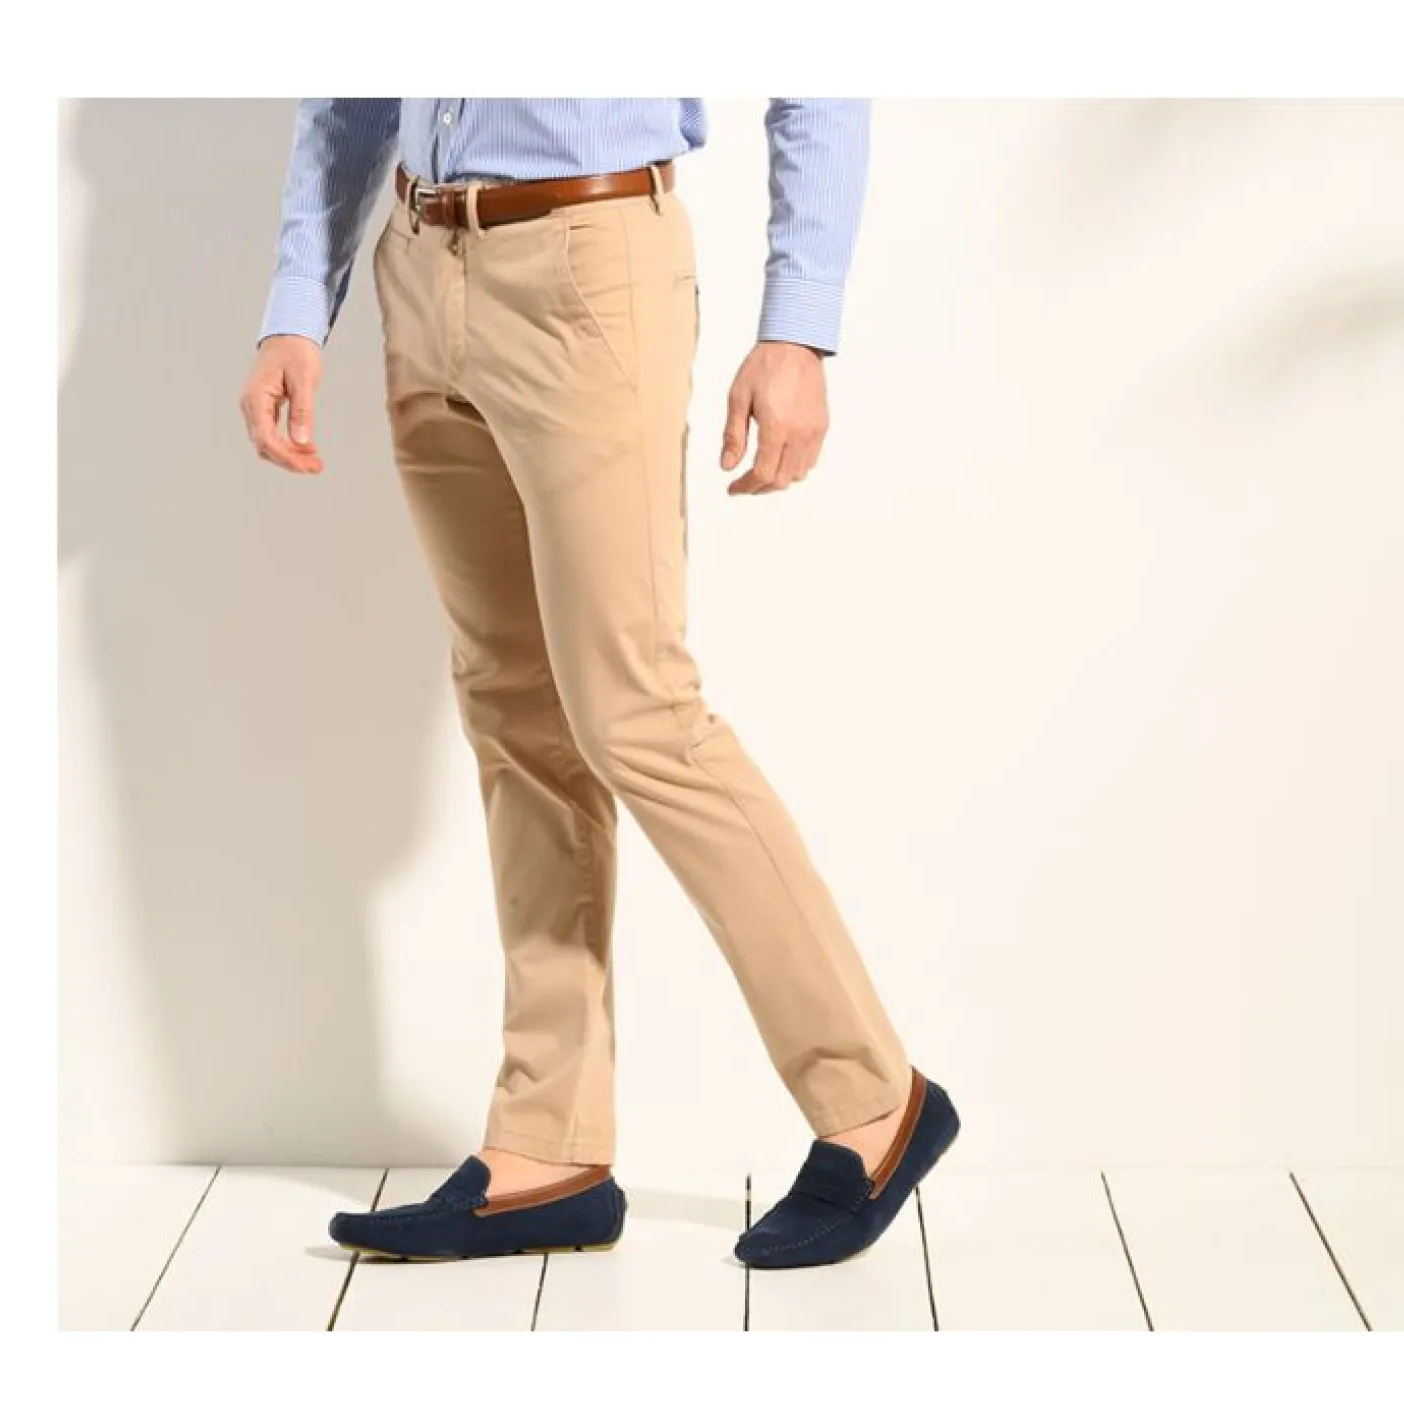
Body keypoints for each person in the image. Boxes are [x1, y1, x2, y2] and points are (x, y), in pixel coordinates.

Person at [239, 99, 957, 1269]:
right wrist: (294, 302)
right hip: (419, 259)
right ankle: (547, 1142)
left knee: (640, 712)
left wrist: (798, 326)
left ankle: (876, 1099)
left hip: (590, 258)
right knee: (514, 712)